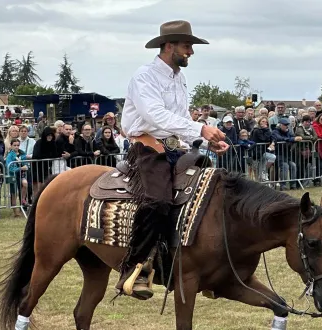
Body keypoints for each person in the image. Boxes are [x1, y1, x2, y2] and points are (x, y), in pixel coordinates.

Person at [117, 20, 229, 300]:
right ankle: (135, 268)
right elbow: (155, 116)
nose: (191, 51)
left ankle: (204, 264)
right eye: (187, 46)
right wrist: (201, 129)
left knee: (210, 192)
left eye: (191, 46)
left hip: (173, 147)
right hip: (146, 147)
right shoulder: (144, 76)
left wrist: (205, 143)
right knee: (158, 201)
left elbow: (177, 121)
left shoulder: (179, 78)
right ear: (169, 46)